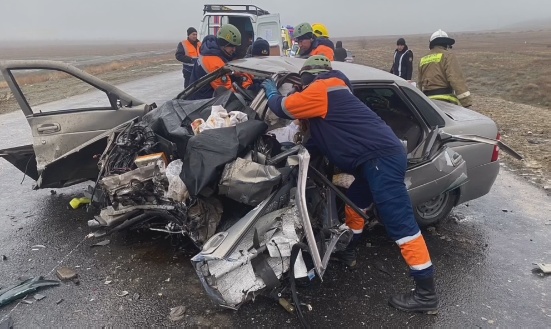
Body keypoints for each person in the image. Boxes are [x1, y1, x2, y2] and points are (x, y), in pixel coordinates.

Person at [261, 55, 438, 313]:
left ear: (309, 77)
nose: (302, 88)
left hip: (381, 160)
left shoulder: (322, 89)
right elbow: (317, 142)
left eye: (302, 83)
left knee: (401, 223)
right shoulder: (334, 97)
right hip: (371, 161)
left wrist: (270, 88)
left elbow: (281, 107)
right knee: (355, 205)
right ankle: (348, 251)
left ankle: (426, 294)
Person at [418, 29, 472, 107]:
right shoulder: (448, 56)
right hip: (445, 102)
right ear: (446, 45)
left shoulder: (423, 59)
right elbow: (456, 79)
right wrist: (466, 102)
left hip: (428, 102)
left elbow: (420, 83)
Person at [187, 24, 242, 100]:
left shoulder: (209, 51)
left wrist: (232, 74)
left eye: (235, 46)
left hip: (197, 97)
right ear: (223, 44)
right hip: (203, 103)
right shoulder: (214, 61)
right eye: (231, 46)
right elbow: (228, 93)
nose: (234, 50)